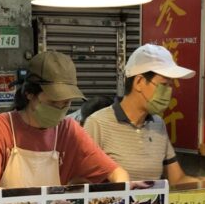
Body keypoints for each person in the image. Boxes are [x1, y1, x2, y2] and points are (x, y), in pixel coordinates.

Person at [0, 50, 128, 189]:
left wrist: (120, 196)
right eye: (53, 102)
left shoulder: (68, 130)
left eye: (66, 103)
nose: (60, 109)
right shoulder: (0, 127)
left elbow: (117, 173)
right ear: (29, 93)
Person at [83, 44, 194, 182]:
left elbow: (177, 179)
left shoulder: (158, 124)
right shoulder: (97, 123)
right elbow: (80, 181)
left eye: (170, 86)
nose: (168, 93)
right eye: (164, 85)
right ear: (139, 82)